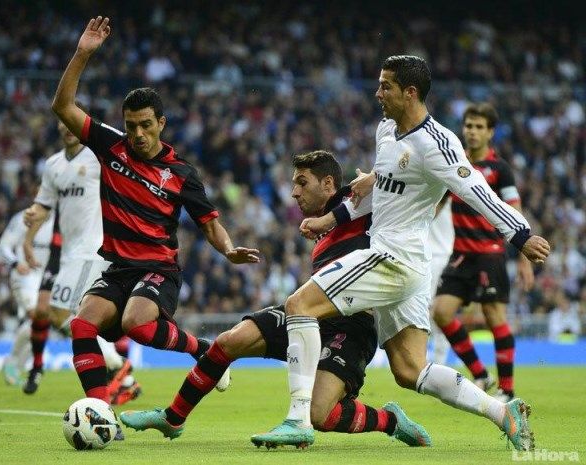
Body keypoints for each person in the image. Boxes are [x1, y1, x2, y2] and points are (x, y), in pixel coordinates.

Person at [255, 55, 550, 451]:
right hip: (404, 264)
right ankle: (502, 412)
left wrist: (520, 234)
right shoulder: (386, 131)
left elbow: (475, 189)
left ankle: (297, 420)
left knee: (299, 305)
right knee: (410, 370)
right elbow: (379, 192)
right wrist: (333, 219)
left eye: (385, 87)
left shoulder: (438, 144)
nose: (377, 94)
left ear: (410, 92)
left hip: (395, 258)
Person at [119, 150, 431, 448]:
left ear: (328, 184)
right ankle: (173, 418)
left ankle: (390, 421)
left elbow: (405, 174)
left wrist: (373, 177)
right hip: (307, 316)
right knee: (229, 341)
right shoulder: (322, 227)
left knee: (320, 414)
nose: (294, 192)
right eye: (294, 183)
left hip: (351, 325)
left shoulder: (357, 200)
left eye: (302, 182)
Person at [50, 16, 259, 406]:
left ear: (161, 123)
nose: (138, 134)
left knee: (135, 322)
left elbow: (210, 224)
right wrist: (82, 54)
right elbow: (62, 106)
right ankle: (100, 409)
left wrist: (228, 250)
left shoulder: (181, 173)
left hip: (158, 270)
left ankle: (201, 348)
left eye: (146, 125)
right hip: (119, 268)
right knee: (80, 324)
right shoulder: (110, 145)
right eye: (131, 126)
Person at [22, 118, 139, 404]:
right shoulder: (53, 166)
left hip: (93, 249)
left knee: (60, 312)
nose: (66, 128)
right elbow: (44, 205)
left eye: (71, 123)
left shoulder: (98, 156)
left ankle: (115, 367)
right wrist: (30, 229)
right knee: (68, 316)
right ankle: (117, 367)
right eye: (61, 124)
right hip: (69, 252)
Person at [432, 103, 535, 402]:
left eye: (479, 127)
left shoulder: (499, 169)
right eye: (469, 126)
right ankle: (480, 373)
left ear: (490, 132)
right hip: (461, 255)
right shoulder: (454, 165)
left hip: (490, 254)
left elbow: (515, 212)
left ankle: (507, 390)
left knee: (494, 318)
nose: (472, 132)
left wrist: (525, 258)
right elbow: (436, 203)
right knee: (441, 312)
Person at [0, 207, 54, 385]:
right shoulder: (24, 217)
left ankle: (15, 364)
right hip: (25, 274)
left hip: (47, 277)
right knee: (35, 315)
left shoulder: (62, 218)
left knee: (40, 324)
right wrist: (15, 263)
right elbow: (3, 246)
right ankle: (14, 359)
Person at [427, 197, 454, 365]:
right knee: (426, 313)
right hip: (425, 254)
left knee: (439, 313)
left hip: (443, 256)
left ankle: (438, 362)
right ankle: (423, 361)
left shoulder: (451, 189)